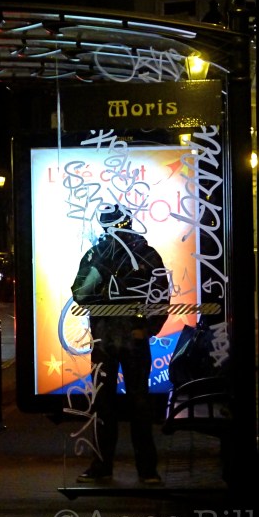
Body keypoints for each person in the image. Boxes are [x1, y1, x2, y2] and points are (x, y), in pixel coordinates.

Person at [70, 204, 170, 485]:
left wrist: (146, 328)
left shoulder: (105, 254)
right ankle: (141, 469)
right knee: (123, 404)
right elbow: (81, 294)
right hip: (118, 339)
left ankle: (119, 467)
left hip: (113, 338)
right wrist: (146, 328)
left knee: (120, 404)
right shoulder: (143, 254)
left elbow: (81, 293)